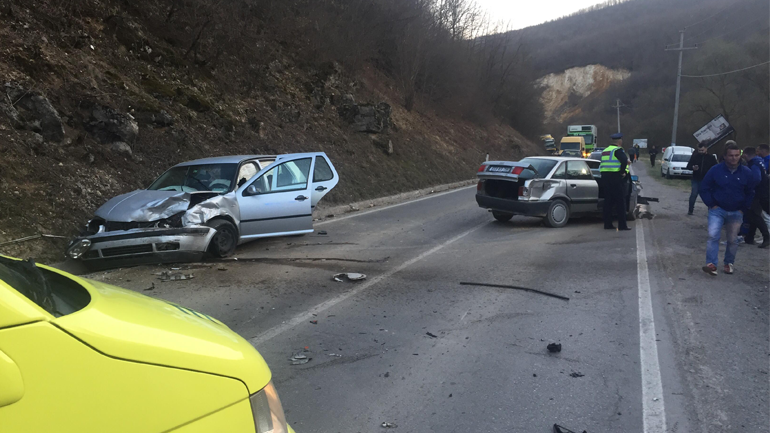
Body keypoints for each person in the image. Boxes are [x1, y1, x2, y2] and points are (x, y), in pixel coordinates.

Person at [699, 142, 759, 275]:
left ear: (740, 156)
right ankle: (711, 264)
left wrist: (744, 208)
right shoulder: (715, 170)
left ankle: (729, 263)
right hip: (717, 209)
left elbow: (751, 192)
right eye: (731, 155)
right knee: (713, 235)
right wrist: (711, 204)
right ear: (725, 156)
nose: (734, 158)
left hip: (736, 211)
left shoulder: (747, 173)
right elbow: (704, 188)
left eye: (737, 155)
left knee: (732, 240)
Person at [600, 132, 631, 231]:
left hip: (605, 178)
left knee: (608, 202)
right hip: (616, 178)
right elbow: (623, 160)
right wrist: (623, 172)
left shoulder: (605, 150)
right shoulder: (618, 150)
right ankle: (622, 225)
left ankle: (607, 224)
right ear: (619, 141)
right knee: (620, 202)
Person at [742, 147, 770, 248]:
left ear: (745, 155)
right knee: (752, 215)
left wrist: (749, 187)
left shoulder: (754, 164)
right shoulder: (760, 162)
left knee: (754, 215)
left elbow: (756, 178)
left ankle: (766, 237)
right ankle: (750, 237)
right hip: (762, 192)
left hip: (756, 193)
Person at [686, 142, 718, 215]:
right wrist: (692, 167)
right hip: (696, 179)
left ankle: (711, 209)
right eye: (699, 150)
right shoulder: (695, 156)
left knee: (709, 195)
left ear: (706, 149)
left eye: (702, 150)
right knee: (694, 194)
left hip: (707, 180)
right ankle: (690, 210)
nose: (701, 152)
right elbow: (688, 166)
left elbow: (716, 168)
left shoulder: (711, 158)